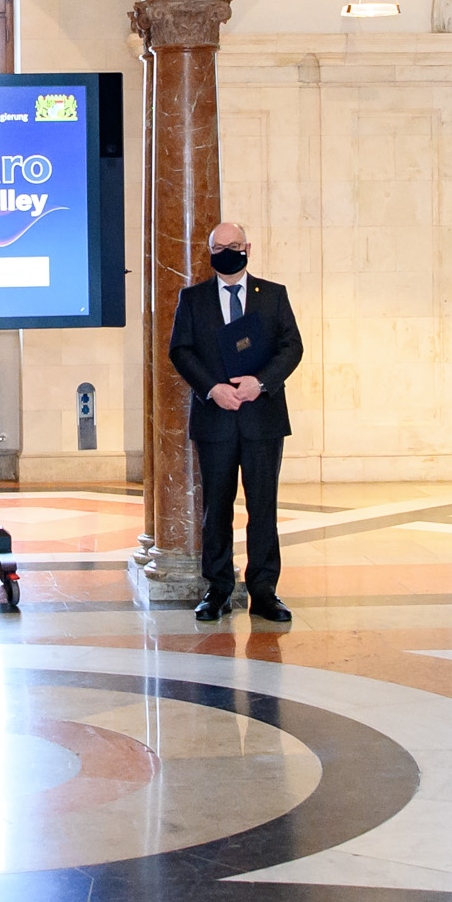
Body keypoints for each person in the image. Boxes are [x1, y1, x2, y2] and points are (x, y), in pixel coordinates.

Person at [166, 220, 301, 624]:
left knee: (263, 508)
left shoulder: (273, 296)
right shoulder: (193, 299)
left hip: (263, 420)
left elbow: (292, 346)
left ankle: (264, 592)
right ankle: (218, 589)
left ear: (248, 248)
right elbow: (181, 351)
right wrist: (213, 389)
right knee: (216, 509)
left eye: (235, 244)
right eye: (220, 245)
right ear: (210, 252)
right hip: (215, 420)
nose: (228, 250)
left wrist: (261, 383)